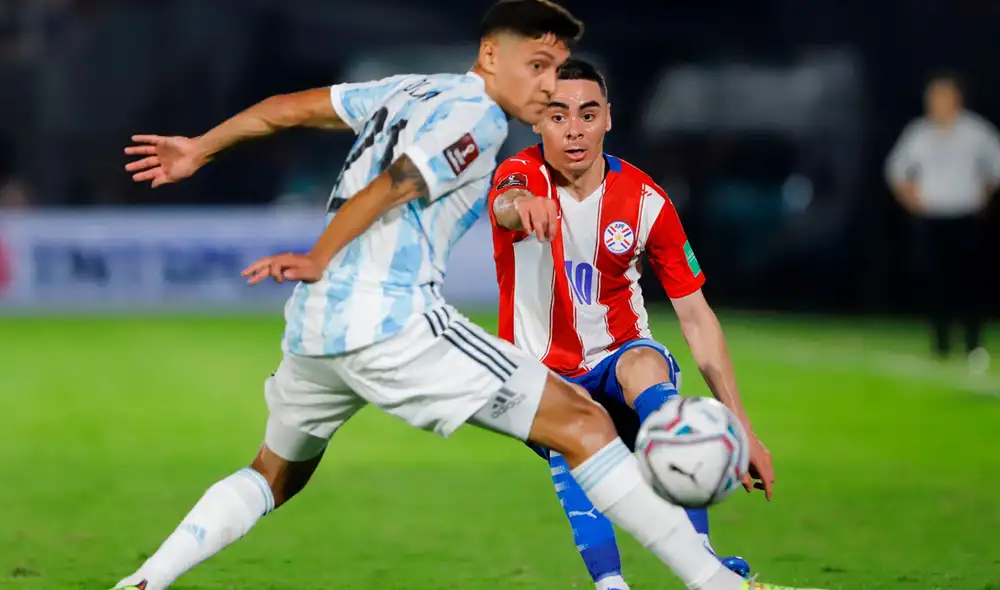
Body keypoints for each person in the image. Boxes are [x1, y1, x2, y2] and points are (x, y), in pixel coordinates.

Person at [117, 2, 820, 589]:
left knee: (274, 473)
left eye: (557, 70)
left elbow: (287, 109)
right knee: (582, 422)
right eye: (537, 67)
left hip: (316, 326)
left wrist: (202, 146)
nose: (548, 88)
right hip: (388, 320)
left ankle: (144, 580)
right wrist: (318, 252)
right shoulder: (478, 118)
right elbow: (397, 181)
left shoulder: (404, 88)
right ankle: (715, 583)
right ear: (490, 55)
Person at [487, 58, 769, 590]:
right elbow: (505, 201)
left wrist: (742, 428)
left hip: (621, 355)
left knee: (644, 365)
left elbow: (696, 316)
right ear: (537, 123)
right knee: (576, 414)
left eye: (588, 114)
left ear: (609, 119)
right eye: (558, 115)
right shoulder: (521, 175)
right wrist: (523, 206)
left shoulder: (645, 200)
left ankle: (703, 562)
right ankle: (611, 583)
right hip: (541, 373)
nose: (574, 129)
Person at [886, 73, 1000, 371]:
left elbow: (995, 169)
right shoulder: (919, 134)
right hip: (932, 218)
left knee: (970, 281)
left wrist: (982, 198)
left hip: (965, 217)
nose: (939, 104)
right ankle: (941, 343)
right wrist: (913, 201)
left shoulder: (977, 132)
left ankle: (973, 343)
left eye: (944, 98)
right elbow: (896, 171)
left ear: (956, 100)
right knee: (935, 282)